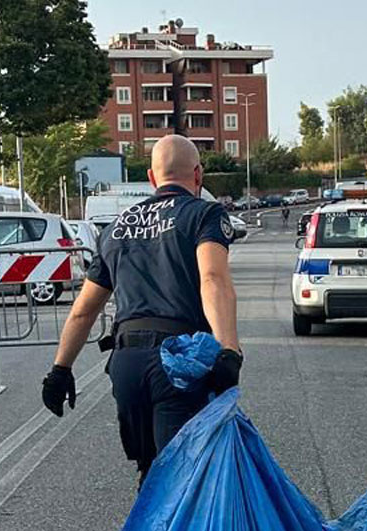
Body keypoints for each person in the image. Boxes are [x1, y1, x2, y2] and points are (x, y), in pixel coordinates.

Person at [41, 135, 242, 480]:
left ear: (152, 178)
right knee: (181, 479)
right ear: (198, 175)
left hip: (127, 365)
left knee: (149, 473)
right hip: (177, 364)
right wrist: (228, 349)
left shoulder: (117, 228)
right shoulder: (203, 214)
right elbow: (213, 279)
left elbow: (84, 310)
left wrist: (60, 369)